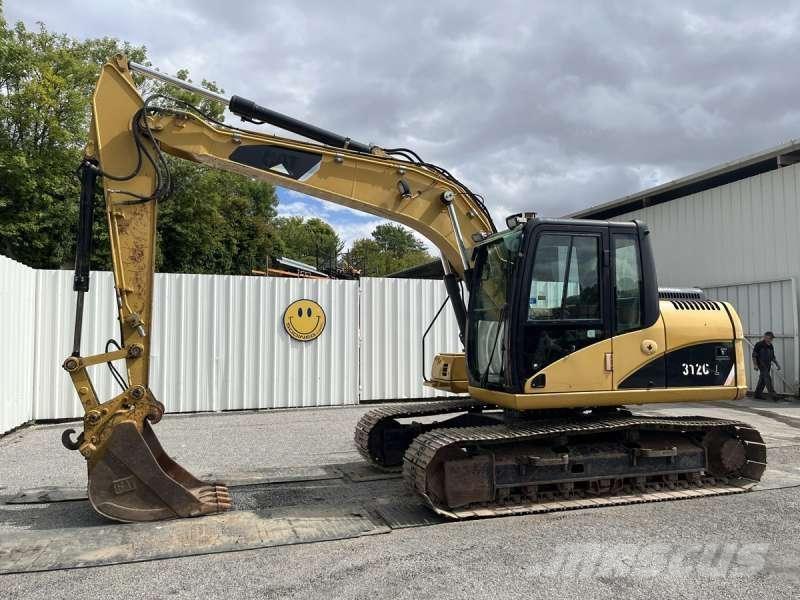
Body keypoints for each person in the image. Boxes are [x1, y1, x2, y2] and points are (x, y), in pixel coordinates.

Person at [752, 331, 782, 401]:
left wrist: (777, 364)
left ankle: (757, 394)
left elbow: (772, 357)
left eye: (772, 338)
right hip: (761, 365)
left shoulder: (771, 346)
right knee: (768, 379)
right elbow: (754, 355)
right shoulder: (759, 344)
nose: (771, 340)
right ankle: (773, 395)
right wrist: (755, 365)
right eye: (770, 338)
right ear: (765, 337)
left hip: (768, 365)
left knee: (762, 380)